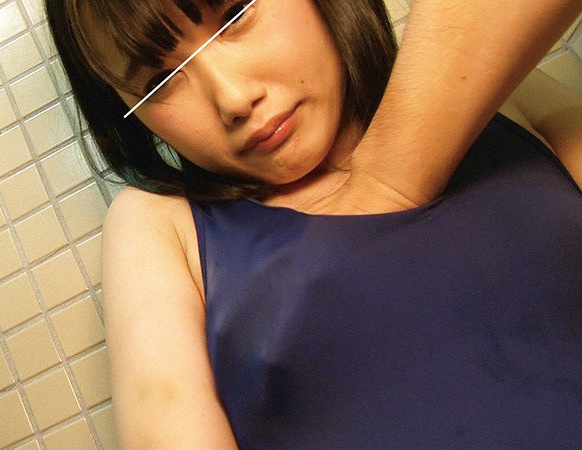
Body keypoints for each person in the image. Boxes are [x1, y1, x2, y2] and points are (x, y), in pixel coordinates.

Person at [47, 0, 582, 447]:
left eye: (235, 15)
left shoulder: (503, 95)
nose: (233, 98)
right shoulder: (160, 227)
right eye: (161, 80)